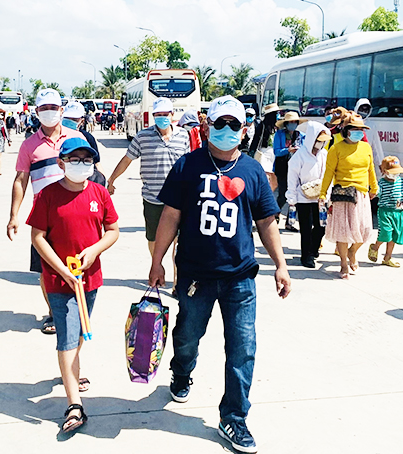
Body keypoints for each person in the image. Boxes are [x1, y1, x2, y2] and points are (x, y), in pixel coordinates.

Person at [148, 95, 291, 454]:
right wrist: (157, 260)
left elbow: (266, 222)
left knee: (243, 349)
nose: (227, 130)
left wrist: (281, 265)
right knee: (187, 336)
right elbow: (170, 216)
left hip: (241, 277)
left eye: (234, 124)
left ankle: (235, 418)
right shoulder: (188, 166)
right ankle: (181, 371)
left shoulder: (253, 171)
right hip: (196, 275)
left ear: (244, 129)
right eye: (220, 123)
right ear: (208, 125)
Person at [27, 137, 119, 432]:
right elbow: (38, 237)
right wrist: (61, 269)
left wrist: (94, 251)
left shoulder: (99, 193)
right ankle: (74, 405)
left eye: (86, 160)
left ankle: (71, 372)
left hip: (90, 279)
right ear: (61, 163)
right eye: (75, 159)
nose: (82, 165)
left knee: (80, 333)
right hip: (59, 280)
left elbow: (112, 230)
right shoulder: (48, 195)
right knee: (67, 338)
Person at [8, 88, 85, 335]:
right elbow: (21, 180)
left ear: (62, 110)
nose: (50, 112)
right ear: (37, 112)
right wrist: (14, 215)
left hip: (75, 212)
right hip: (44, 216)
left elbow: (89, 172)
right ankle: (54, 312)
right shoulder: (29, 145)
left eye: (54, 108)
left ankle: (79, 307)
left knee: (78, 262)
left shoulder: (76, 138)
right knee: (46, 269)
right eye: (44, 108)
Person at [107, 97, 189, 259]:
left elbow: (188, 165)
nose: (162, 117)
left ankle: (177, 280)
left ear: (172, 114)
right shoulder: (143, 137)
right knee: (153, 238)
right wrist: (111, 180)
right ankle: (156, 266)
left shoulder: (183, 135)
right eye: (158, 114)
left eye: (165, 114)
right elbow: (127, 159)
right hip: (152, 198)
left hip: (178, 199)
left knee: (179, 241)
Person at [320, 112, 378, 279]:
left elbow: (371, 169)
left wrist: (374, 187)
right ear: (345, 130)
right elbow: (328, 173)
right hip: (342, 195)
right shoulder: (336, 148)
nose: (359, 132)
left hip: (362, 194)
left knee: (366, 230)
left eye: (361, 129)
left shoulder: (366, 147)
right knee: (343, 232)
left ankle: (353, 251)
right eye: (354, 129)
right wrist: (323, 194)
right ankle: (344, 263)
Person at [286, 121, 330, 268]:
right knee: (305, 228)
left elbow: (328, 175)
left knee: (321, 227)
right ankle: (306, 256)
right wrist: (291, 197)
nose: (321, 144)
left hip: (320, 197)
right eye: (319, 141)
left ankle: (313, 249)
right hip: (303, 196)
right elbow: (292, 177)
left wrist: (326, 193)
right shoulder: (299, 156)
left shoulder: (324, 154)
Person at [368, 156, 403, 267]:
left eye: (397, 172)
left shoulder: (402, 181)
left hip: (398, 212)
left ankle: (387, 257)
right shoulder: (382, 183)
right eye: (392, 172)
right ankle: (375, 247)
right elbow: (375, 193)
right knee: (385, 232)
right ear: (384, 172)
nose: (395, 175)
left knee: (394, 235)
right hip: (385, 211)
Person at [274, 111, 306, 230]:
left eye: (294, 122)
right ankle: (275, 213)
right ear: (286, 124)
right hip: (282, 167)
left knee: (295, 195)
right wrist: (288, 150)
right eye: (290, 122)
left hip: (297, 167)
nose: (292, 124)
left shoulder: (301, 135)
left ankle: (290, 221)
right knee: (283, 194)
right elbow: (276, 151)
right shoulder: (279, 134)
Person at [62, 101, 106, 186]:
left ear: (82, 121)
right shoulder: (56, 136)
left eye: (74, 119)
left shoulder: (88, 138)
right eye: (68, 118)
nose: (70, 121)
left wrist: (104, 183)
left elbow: (97, 162)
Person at [249, 103, 280, 188]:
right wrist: (251, 152)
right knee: (265, 174)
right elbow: (256, 140)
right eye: (276, 113)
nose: (278, 115)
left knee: (273, 176)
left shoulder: (278, 127)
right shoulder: (262, 126)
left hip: (275, 153)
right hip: (264, 152)